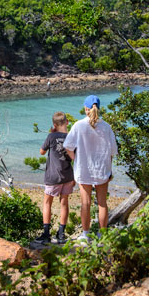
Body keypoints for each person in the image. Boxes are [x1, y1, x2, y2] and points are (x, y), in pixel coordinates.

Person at [63, 95, 117, 241]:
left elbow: (68, 146)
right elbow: (112, 151)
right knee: (102, 203)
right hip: (102, 168)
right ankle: (103, 234)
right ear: (98, 108)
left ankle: (85, 235)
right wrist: (109, 168)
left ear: (86, 108)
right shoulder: (106, 127)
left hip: (83, 168)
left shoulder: (78, 125)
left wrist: (76, 158)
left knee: (85, 202)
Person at [35, 111, 75, 244]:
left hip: (53, 176)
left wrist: (52, 134)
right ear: (67, 122)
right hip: (68, 175)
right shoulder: (71, 137)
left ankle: (46, 233)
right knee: (64, 203)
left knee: (47, 203)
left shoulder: (51, 137)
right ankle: (61, 234)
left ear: (54, 124)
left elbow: (42, 152)